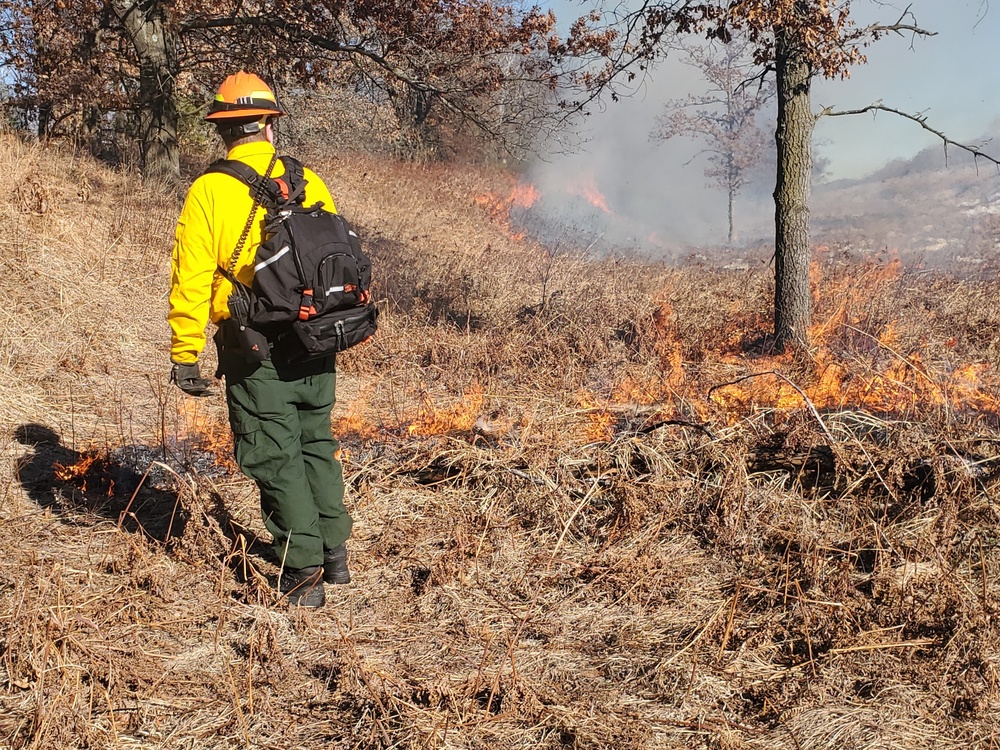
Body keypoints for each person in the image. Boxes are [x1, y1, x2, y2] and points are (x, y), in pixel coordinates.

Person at [168, 71, 352, 608]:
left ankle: (301, 573)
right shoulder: (308, 180)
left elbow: (191, 276)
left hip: (253, 344)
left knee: (272, 452)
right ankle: (334, 552)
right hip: (316, 334)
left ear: (223, 130)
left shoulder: (209, 189)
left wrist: (184, 351)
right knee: (315, 439)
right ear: (270, 125)